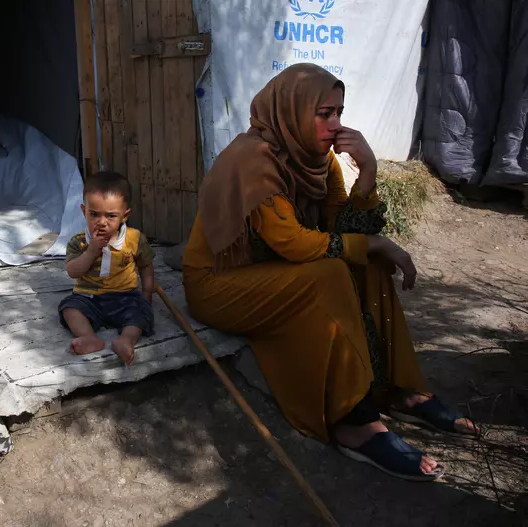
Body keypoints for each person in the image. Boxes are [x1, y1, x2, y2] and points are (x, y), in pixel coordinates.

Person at [182, 63, 477, 481]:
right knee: (331, 271)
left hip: (276, 276)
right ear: (292, 110)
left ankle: (398, 389)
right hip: (220, 285)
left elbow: (345, 229)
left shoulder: (317, 161)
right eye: (325, 114)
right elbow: (294, 243)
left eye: (339, 112)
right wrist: (372, 243)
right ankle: (353, 420)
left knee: (368, 263)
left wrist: (369, 170)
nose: (336, 125)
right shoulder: (253, 160)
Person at [59, 171, 156, 365]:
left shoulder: (134, 239)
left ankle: (126, 340)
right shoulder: (79, 242)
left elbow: (146, 266)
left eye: (111, 216)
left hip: (125, 296)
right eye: (94, 214)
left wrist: (146, 295)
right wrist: (91, 252)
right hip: (88, 297)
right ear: (83, 211)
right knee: (69, 308)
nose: (101, 222)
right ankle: (89, 338)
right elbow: (72, 271)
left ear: (125, 216)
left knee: (141, 313)